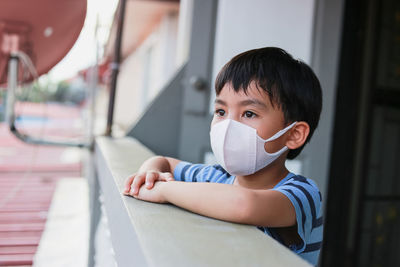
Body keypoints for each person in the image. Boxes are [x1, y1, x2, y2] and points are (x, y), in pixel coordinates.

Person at [123, 47, 323, 265]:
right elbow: (164, 163)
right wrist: (149, 175)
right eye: (221, 111)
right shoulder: (216, 177)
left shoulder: (302, 194)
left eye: (249, 114)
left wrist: (162, 190)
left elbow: (243, 205)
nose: (228, 126)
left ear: (293, 134)